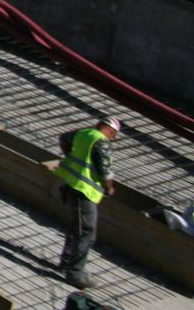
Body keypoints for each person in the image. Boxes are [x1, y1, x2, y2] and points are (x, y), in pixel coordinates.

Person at [54, 116, 120, 288]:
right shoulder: (101, 142)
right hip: (84, 191)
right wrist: (109, 188)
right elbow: (105, 172)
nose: (112, 139)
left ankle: (66, 262)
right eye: (114, 135)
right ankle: (75, 274)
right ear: (111, 131)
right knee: (86, 233)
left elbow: (63, 139)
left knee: (77, 227)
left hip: (72, 183)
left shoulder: (83, 133)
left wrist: (69, 154)